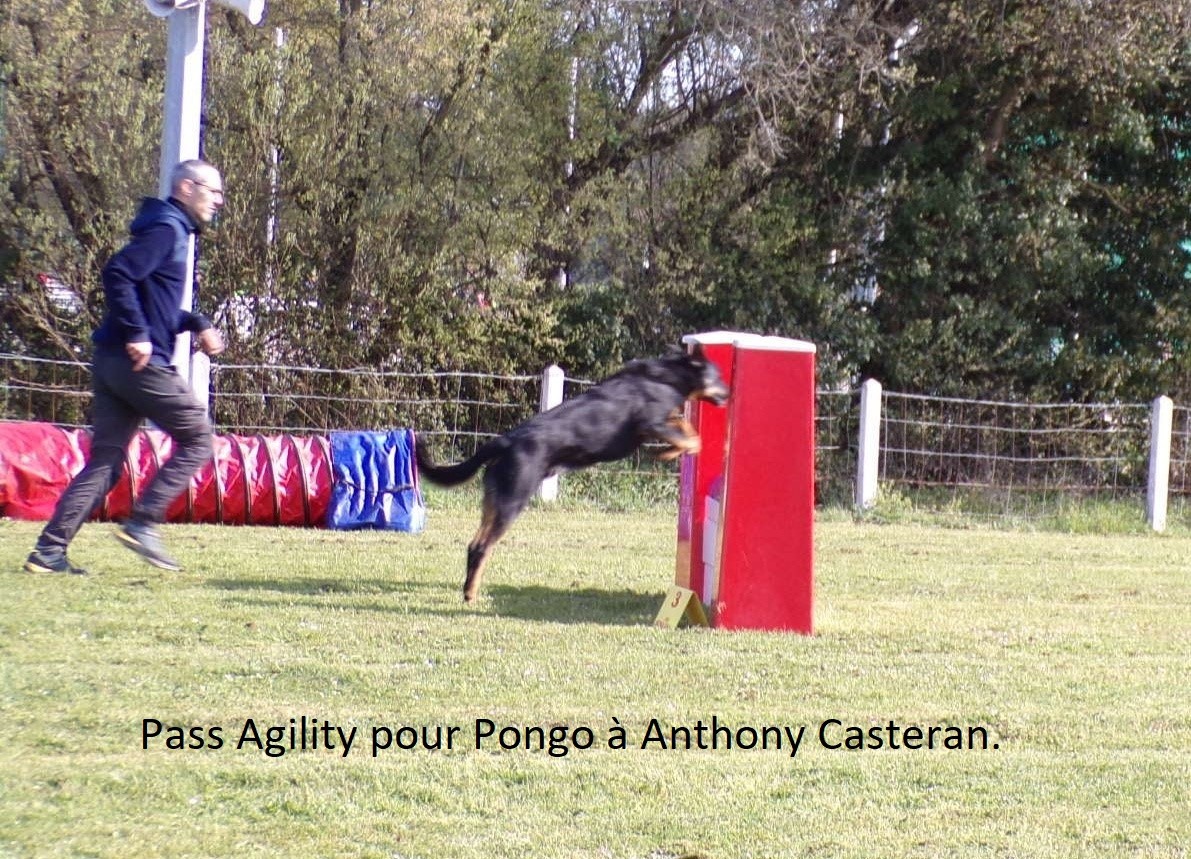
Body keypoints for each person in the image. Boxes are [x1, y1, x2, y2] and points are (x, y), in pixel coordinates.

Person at [23, 159, 227, 575]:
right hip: (139, 362)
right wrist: (137, 332)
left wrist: (196, 323)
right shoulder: (168, 229)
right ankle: (144, 522)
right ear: (187, 188)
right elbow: (118, 274)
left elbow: (158, 308)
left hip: (112, 361)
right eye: (213, 191)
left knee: (106, 461)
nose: (218, 201)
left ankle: (49, 551)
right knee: (198, 438)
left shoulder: (168, 228)